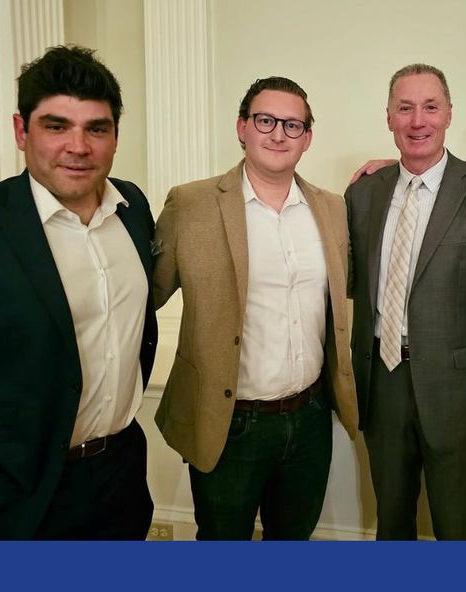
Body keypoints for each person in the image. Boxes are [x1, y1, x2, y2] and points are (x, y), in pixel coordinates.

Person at [0, 45, 157, 540]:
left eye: (96, 128)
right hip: (12, 502)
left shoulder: (133, 207)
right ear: (22, 131)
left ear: (115, 137)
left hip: (120, 482)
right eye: (57, 126)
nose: (78, 146)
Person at [153, 76, 357, 540]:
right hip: (230, 426)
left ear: (307, 138)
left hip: (308, 421)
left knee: (291, 548)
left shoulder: (332, 209)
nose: (278, 133)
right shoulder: (191, 204)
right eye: (265, 120)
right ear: (242, 127)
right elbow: (144, 297)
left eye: (292, 124)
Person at [344, 64, 466, 540]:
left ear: (448, 115)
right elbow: (350, 284)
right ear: (389, 118)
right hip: (383, 382)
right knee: (391, 522)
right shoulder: (363, 194)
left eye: (429, 107)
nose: (417, 120)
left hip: (458, 395)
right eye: (405, 108)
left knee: (458, 528)